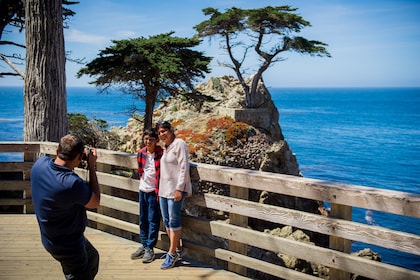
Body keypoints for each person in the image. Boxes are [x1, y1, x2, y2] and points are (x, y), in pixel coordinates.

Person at [31, 134, 101, 280]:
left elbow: (60, 173)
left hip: (50, 237)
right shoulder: (71, 183)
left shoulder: (39, 164)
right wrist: (92, 167)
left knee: (92, 257)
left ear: (57, 152)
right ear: (80, 157)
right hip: (68, 246)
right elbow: (94, 202)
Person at [156, 121, 192, 269]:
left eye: (164, 131)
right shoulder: (165, 147)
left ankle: (171, 253)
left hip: (176, 190)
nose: (162, 134)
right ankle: (176, 250)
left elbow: (184, 167)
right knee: (166, 221)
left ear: (171, 130)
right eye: (159, 132)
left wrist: (179, 188)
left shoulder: (180, 144)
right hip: (164, 190)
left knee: (174, 220)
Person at [131, 128, 163, 263]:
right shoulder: (141, 153)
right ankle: (144, 245)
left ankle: (150, 247)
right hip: (142, 189)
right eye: (146, 139)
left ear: (156, 140)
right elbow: (140, 170)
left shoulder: (161, 154)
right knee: (142, 219)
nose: (148, 141)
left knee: (153, 220)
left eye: (151, 139)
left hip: (154, 192)